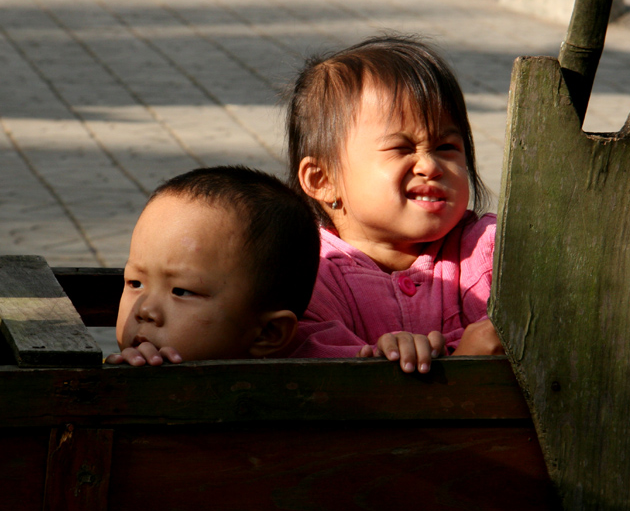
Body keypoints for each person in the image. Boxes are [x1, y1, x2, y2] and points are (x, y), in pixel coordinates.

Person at [284, 34, 504, 374]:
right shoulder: (306, 275)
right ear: (322, 180)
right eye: (402, 148)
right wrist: (463, 363)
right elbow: (318, 381)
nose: (430, 166)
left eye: (446, 147)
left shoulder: (488, 249)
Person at [106, 166, 320, 366]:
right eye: (135, 283)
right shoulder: (111, 382)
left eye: (181, 291)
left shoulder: (322, 391)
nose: (145, 310)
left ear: (267, 333)